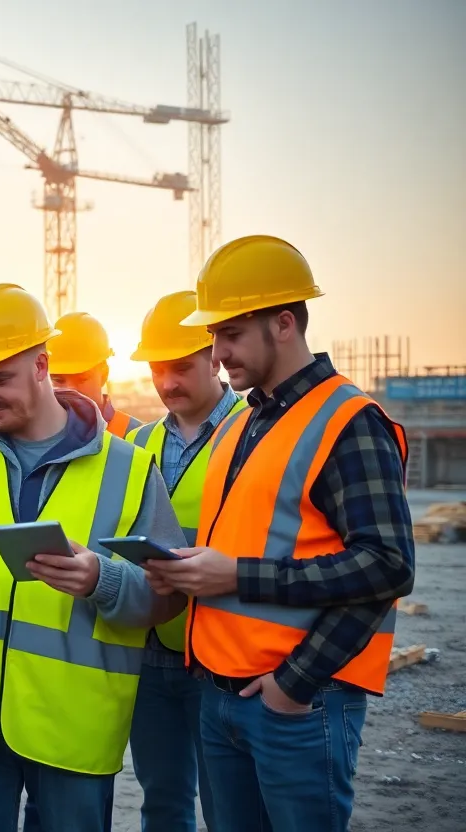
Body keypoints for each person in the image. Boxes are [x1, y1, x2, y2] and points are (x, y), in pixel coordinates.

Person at [0, 283, 188, 832]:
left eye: (0, 378)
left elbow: (169, 596)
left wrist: (104, 578)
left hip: (74, 729)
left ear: (43, 365)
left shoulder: (130, 470)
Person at [145, 235, 415, 832]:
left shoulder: (348, 422)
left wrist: (293, 684)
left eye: (230, 334)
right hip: (220, 694)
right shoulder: (244, 424)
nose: (216, 354)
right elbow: (255, 537)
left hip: (296, 704)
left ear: (284, 324)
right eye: (213, 337)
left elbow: (387, 566)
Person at [122, 290, 245, 832]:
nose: (167, 382)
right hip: (150, 652)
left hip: (219, 653)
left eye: (182, 367)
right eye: (157, 369)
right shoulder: (138, 442)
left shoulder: (252, 432)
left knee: (229, 805)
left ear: (213, 355)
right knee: (162, 800)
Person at [47, 311, 142, 438]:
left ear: (104, 374)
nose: (69, 390)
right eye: (58, 380)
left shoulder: (137, 436)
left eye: (81, 379)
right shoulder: (35, 437)